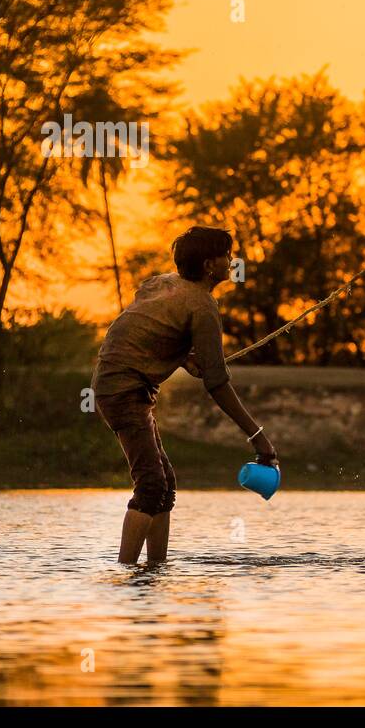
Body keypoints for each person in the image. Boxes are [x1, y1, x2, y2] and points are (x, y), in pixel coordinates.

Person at [92, 225, 277, 563]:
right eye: (226, 256)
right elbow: (217, 384)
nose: (231, 261)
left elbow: (144, 324)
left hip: (119, 386)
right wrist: (258, 437)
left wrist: (179, 355)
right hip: (124, 391)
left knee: (164, 488)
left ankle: (155, 570)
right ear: (210, 265)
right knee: (150, 486)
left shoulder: (161, 283)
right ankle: (124, 572)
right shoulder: (203, 308)